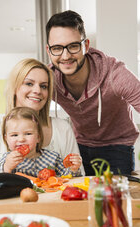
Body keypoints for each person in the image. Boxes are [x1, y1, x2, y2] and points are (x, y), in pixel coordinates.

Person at [46, 10, 140, 176]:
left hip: (118, 146)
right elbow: (22, 111)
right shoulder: (48, 78)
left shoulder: (114, 73)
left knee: (115, 199)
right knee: (80, 198)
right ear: (48, 50)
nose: (65, 56)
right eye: (57, 48)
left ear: (86, 46)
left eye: (73, 46)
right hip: (79, 146)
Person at [0, 58, 84, 187]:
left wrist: (74, 167)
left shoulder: (62, 128)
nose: (37, 90)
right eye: (29, 83)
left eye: (44, 86)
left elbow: (75, 178)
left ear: (38, 137)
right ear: (15, 87)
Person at [0, 107, 81, 179]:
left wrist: (73, 168)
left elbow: (67, 177)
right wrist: (6, 167)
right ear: (6, 139)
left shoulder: (53, 157)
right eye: (14, 135)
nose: (21, 139)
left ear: (38, 137)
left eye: (28, 133)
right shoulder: (7, 159)